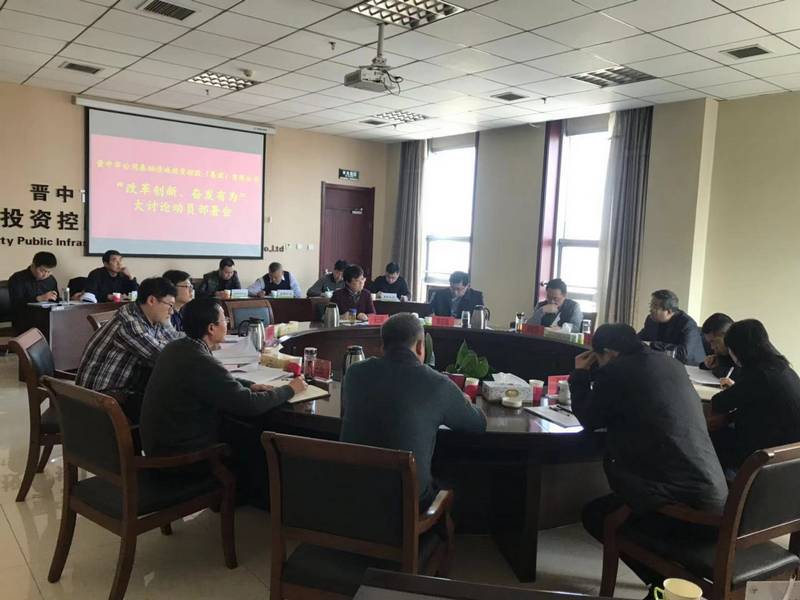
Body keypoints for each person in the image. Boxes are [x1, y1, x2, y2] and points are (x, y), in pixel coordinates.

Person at [571, 324, 728, 588]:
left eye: (598, 358)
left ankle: (665, 586)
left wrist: (579, 374)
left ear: (609, 352)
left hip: (683, 511)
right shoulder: (670, 364)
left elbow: (589, 418)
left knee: (596, 516)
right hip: (715, 499)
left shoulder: (615, 371)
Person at [340, 313, 486, 508]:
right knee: (454, 480)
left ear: (382, 346)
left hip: (351, 496)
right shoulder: (438, 384)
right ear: (420, 346)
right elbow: (478, 424)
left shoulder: (354, 373)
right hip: (405, 506)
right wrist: (464, 400)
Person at [141, 297, 306, 460]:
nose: (227, 323)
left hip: (161, 444)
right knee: (255, 437)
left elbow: (215, 381)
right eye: (224, 320)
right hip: (179, 456)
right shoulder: (199, 360)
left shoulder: (178, 346)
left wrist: (249, 385)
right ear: (211, 328)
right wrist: (290, 389)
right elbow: (249, 404)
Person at [76, 277, 180, 422]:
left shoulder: (149, 316)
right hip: (102, 398)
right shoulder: (130, 322)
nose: (172, 311)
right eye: (170, 305)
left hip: (123, 390)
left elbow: (176, 340)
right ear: (152, 300)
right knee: (173, 410)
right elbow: (164, 357)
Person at [711, 319, 800, 470]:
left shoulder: (760, 375)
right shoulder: (783, 368)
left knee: (705, 438)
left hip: (764, 456)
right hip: (789, 456)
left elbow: (718, 402)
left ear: (738, 351)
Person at [637, 289, 704, 365]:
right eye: (651, 305)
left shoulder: (687, 324)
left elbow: (684, 354)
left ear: (669, 312)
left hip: (691, 367)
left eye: (655, 307)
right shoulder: (651, 320)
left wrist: (653, 345)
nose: (651, 310)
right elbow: (640, 339)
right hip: (664, 363)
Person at [8, 252, 59, 332]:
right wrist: (39, 298)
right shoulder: (17, 278)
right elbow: (17, 304)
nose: (45, 275)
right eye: (42, 271)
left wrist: (68, 298)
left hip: (47, 320)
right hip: (25, 321)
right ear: (33, 265)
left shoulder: (51, 280)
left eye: (49, 272)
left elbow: (55, 299)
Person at [699, 312, 738, 379]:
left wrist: (716, 367)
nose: (712, 347)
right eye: (710, 343)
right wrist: (708, 363)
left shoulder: (743, 351)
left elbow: (733, 375)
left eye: (714, 341)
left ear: (728, 337)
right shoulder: (724, 352)